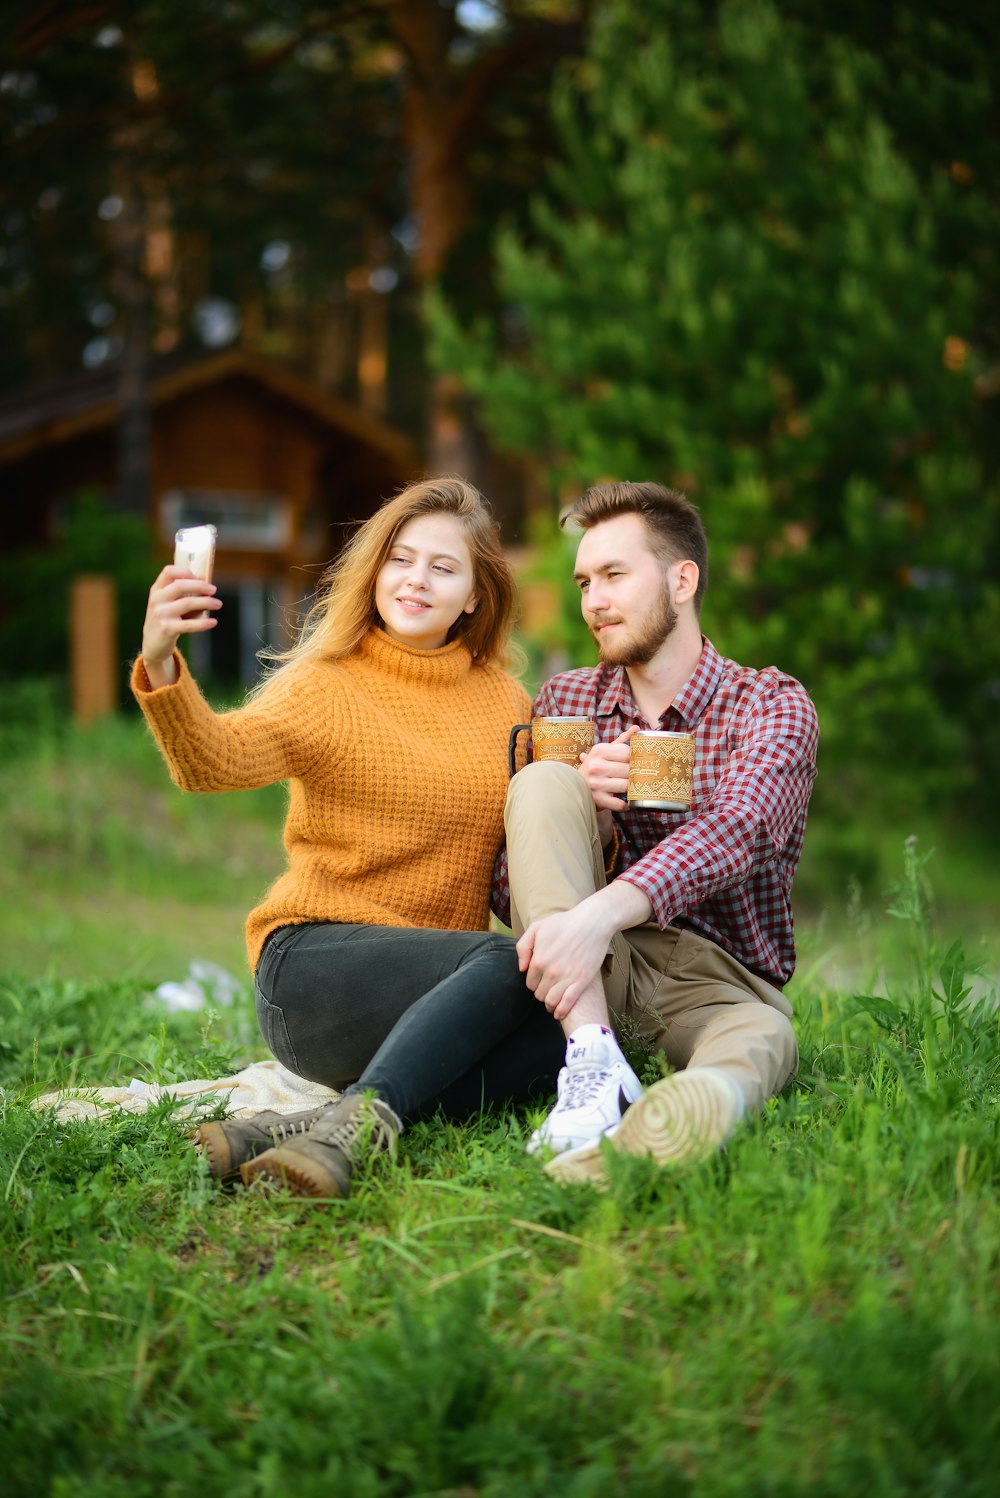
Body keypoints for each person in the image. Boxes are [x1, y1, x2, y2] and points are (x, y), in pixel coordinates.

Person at [133, 477, 565, 1200]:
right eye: (400, 558)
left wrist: (598, 811)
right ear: (374, 571)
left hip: (438, 993)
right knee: (504, 961)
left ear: (475, 597)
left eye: (442, 566)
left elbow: (530, 857)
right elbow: (212, 762)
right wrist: (161, 660)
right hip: (313, 974)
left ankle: (303, 1127)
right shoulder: (326, 686)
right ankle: (362, 1124)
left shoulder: (508, 704)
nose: (415, 580)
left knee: (566, 1043)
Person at [496, 480, 819, 1184]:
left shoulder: (767, 701)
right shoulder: (568, 699)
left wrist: (599, 911)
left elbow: (745, 826)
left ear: (682, 579)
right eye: (584, 581)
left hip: (718, 981)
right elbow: (509, 877)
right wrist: (591, 814)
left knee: (765, 1035)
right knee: (546, 783)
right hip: (594, 975)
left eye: (614, 575)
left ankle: (674, 1124)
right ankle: (591, 1065)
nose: (592, 601)